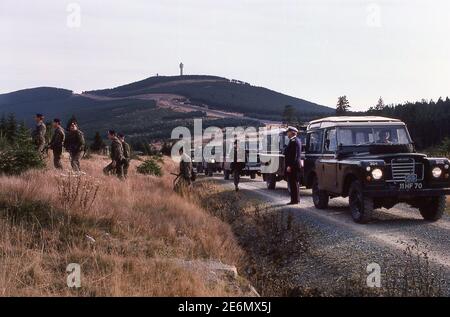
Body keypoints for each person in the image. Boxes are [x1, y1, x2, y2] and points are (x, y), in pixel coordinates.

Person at [284, 126, 302, 205]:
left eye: (288, 132)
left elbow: (293, 155)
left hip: (293, 166)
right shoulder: (296, 140)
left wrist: (289, 166)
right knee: (295, 183)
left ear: (292, 132)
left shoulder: (294, 141)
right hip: (295, 165)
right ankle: (296, 199)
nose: (287, 133)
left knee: (293, 183)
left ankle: (294, 200)